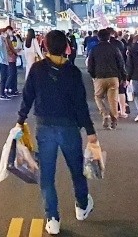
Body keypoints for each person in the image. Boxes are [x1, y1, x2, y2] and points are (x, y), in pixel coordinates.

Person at [18, 30, 97, 235]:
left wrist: (20, 120)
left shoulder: (37, 69)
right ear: (66, 47)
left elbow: (28, 97)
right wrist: (90, 131)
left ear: (45, 46)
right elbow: (81, 105)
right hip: (70, 128)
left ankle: (52, 218)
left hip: (45, 128)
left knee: (47, 175)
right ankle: (81, 206)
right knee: (77, 170)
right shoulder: (72, 72)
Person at [87, 28, 125, 130]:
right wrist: (124, 77)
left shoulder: (94, 49)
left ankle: (105, 114)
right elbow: (121, 64)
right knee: (113, 99)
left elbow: (90, 65)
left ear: (98, 38)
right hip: (113, 77)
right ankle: (114, 119)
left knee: (98, 97)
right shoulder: (114, 48)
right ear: (109, 37)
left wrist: (93, 75)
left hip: (99, 77)